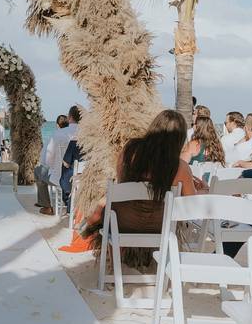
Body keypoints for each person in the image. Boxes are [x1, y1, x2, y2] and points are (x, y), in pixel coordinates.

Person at [84, 110, 201, 268]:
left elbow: (121, 182)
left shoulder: (130, 151)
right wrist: (201, 189)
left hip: (123, 223)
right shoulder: (180, 167)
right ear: (179, 139)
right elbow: (191, 205)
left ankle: (115, 265)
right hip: (160, 227)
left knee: (106, 210)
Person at [34, 115, 68, 209]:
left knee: (37, 170)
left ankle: (45, 205)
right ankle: (66, 199)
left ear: (57, 125)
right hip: (73, 176)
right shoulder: (74, 136)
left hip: (57, 177)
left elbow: (46, 160)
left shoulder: (54, 136)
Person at [45, 105, 80, 195]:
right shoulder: (88, 134)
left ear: (70, 118)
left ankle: (47, 206)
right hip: (82, 178)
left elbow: (48, 160)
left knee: (40, 173)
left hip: (60, 177)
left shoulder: (58, 133)